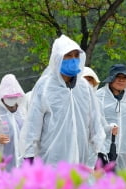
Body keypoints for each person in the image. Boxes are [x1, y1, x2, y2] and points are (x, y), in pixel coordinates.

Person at [19, 35, 105, 167]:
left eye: (76, 56)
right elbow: (33, 123)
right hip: (52, 158)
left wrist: (100, 151)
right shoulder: (45, 86)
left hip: (80, 157)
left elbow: (95, 122)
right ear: (58, 58)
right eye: (68, 56)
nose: (73, 59)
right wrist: (29, 155)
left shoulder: (84, 87)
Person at [96, 64, 126, 170]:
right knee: (100, 182)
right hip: (102, 150)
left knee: (120, 183)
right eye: (118, 77)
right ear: (111, 79)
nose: (121, 81)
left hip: (125, 151)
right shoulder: (99, 97)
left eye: (124, 78)